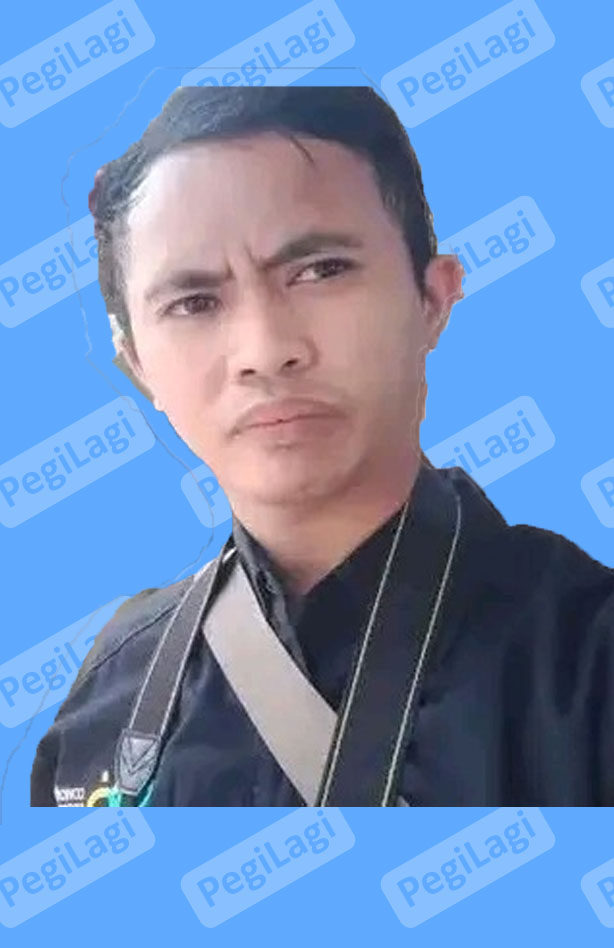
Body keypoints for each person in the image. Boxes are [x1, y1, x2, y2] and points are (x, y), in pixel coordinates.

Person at [31, 85, 614, 807]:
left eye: (320, 271)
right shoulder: (111, 697)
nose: (265, 351)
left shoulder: (584, 663)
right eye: (194, 303)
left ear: (433, 299)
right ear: (138, 366)